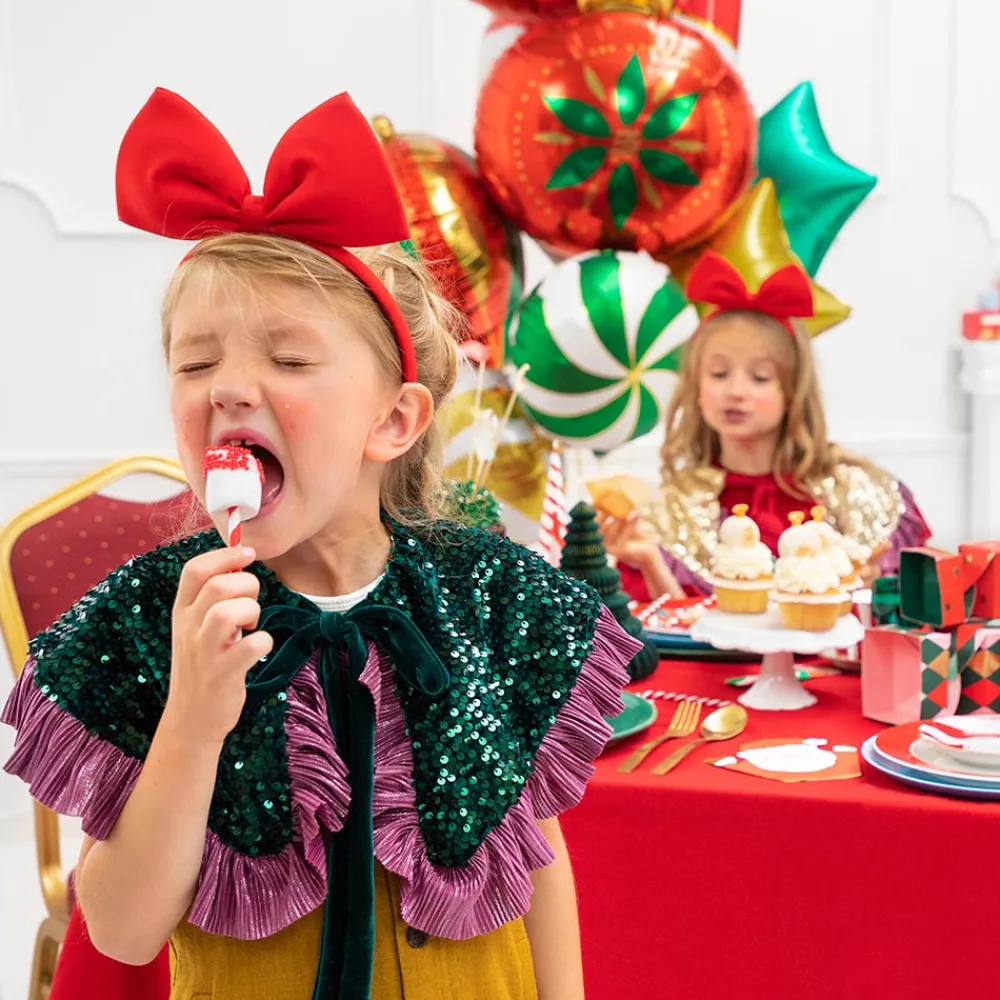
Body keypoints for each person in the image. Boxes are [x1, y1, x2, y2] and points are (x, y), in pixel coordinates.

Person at [2, 88, 640, 1000]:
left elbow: (533, 853)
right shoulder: (157, 617)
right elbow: (122, 927)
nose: (228, 388)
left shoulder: (487, 597)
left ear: (393, 420)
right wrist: (193, 716)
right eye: (195, 362)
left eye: (290, 360)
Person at [601, 250, 930, 603]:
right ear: (696, 387)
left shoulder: (856, 491)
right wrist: (650, 562)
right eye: (719, 373)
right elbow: (679, 629)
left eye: (760, 377)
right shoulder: (672, 508)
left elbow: (915, 617)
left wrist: (871, 589)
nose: (736, 391)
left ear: (792, 391)